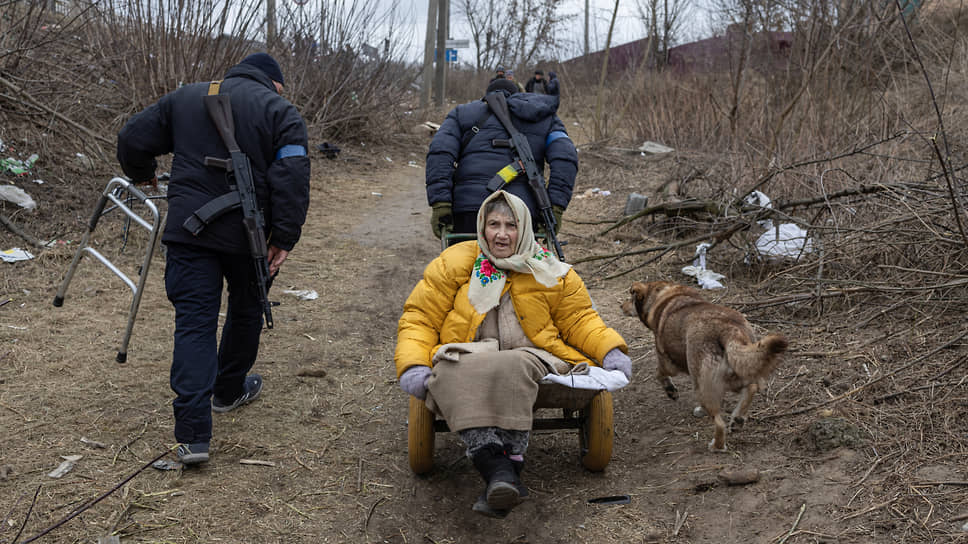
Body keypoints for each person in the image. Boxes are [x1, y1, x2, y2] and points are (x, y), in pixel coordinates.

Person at [116, 52, 311, 465]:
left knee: (195, 323)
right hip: (251, 237)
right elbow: (292, 176)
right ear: (274, 83)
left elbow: (132, 139)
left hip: (190, 234)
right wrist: (286, 237)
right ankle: (228, 390)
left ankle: (193, 437)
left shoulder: (184, 98)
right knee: (246, 311)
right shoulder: (281, 110)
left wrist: (142, 172)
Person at [396, 190, 631, 517]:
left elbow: (580, 319)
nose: (501, 234)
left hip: (533, 356)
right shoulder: (455, 262)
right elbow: (420, 317)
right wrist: (414, 365)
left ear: (525, 230)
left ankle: (499, 466)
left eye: (511, 225)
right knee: (447, 369)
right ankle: (501, 471)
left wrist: (609, 351)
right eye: (493, 224)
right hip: (469, 352)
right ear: (482, 226)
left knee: (512, 363)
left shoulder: (550, 269)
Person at [426, 79, 577, 238]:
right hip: (524, 213)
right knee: (521, 263)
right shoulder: (543, 116)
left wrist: (440, 203)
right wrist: (556, 206)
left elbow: (440, 152)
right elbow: (566, 157)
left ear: (486, 96)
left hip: (468, 212)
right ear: (518, 96)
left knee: (462, 261)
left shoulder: (461, 113)